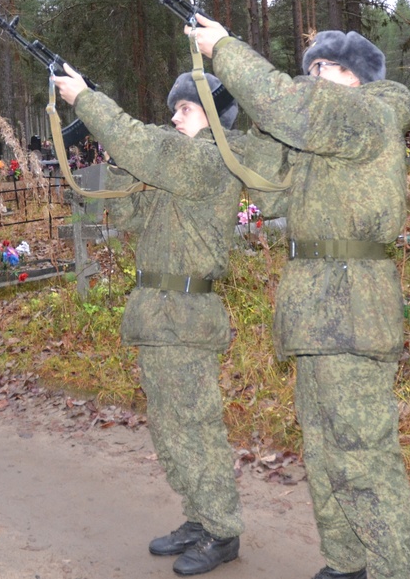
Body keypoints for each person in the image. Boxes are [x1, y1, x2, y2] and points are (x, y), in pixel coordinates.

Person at [191, 17, 410, 579]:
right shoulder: (324, 140)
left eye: (326, 69)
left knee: (363, 454)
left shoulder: (369, 114)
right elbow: (268, 188)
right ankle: (347, 561)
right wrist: (211, 131)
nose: (313, 78)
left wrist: (223, 47)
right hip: (315, 309)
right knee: (322, 449)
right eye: (309, 69)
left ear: (357, 77)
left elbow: (290, 105)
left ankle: (393, 569)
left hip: (353, 306)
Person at [53, 65, 283, 576]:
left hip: (186, 314)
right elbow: (129, 214)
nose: (173, 118)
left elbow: (152, 150)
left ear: (215, 119)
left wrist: (89, 101)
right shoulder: (175, 167)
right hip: (157, 314)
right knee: (170, 426)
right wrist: (116, 167)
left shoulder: (209, 161)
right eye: (174, 109)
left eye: (185, 109)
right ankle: (199, 518)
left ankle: (222, 529)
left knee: (196, 426)